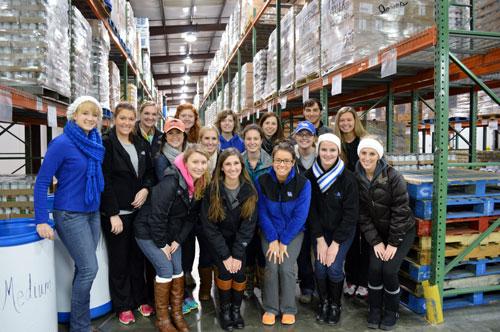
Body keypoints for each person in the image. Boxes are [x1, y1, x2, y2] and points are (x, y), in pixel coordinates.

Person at [34, 96, 105, 332]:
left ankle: (79, 322)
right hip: (69, 213)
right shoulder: (62, 143)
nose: (90, 118)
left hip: (91, 212)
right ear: (74, 115)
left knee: (83, 268)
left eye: (94, 115)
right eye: (85, 113)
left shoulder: (95, 142)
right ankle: (80, 327)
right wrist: (42, 220)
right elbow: (42, 181)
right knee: (89, 269)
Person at [135, 145, 210, 332]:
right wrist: (162, 245)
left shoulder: (200, 184)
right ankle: (163, 319)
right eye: (195, 162)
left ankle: (176, 314)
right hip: (148, 230)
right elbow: (157, 216)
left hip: (171, 235)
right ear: (186, 162)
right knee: (165, 269)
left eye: (203, 162)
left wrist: (177, 241)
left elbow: (191, 218)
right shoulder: (171, 181)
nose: (199, 166)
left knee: (178, 270)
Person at [100, 102, 156, 324]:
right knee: (120, 260)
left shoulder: (139, 142)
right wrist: (112, 213)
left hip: (139, 213)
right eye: (122, 118)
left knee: (138, 259)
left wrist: (146, 189)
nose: (126, 123)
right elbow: (104, 180)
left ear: (136, 121)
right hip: (118, 214)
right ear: (115, 119)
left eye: (130, 119)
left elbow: (150, 173)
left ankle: (140, 298)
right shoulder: (107, 144)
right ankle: (123, 305)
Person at [355, 137, 416, 331]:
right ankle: (374, 309)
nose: (367, 157)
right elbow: (362, 215)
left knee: (389, 270)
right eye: (363, 153)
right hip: (378, 235)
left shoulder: (393, 176)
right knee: (374, 269)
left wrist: (393, 243)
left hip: (401, 232)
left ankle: (391, 310)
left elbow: (401, 211)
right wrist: (375, 242)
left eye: (372, 153)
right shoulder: (356, 177)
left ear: (379, 156)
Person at [255, 141, 312, 326]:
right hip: (269, 231)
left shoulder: (303, 183)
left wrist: (284, 240)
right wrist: (272, 238)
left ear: (293, 162)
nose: (282, 165)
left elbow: (300, 216)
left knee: (286, 267)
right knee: (272, 266)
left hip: (293, 233)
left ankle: (288, 308)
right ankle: (271, 308)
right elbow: (261, 212)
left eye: (286, 161)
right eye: (278, 160)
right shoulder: (262, 181)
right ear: (272, 161)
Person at [201, 148, 258, 331]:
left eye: (236, 163)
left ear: (241, 166)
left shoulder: (249, 191)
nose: (232, 168)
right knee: (225, 272)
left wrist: (237, 253)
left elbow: (248, 227)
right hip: (219, 242)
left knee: (240, 273)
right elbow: (209, 227)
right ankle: (225, 311)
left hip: (240, 243)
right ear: (221, 168)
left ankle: (236, 310)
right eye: (228, 164)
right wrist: (226, 255)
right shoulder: (212, 190)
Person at [305, 133, 359, 325]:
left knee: (334, 268)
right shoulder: (309, 176)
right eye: (324, 149)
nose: (328, 154)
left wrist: (335, 243)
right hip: (320, 231)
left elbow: (351, 215)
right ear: (318, 151)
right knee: (320, 268)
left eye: (332, 150)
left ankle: (336, 305)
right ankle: (324, 302)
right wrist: (319, 239)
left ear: (338, 152)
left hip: (342, 232)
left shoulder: (348, 178)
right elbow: (310, 211)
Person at [334, 106, 370, 299]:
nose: (346, 123)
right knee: (351, 241)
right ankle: (351, 279)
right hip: (345, 200)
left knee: (365, 240)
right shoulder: (337, 145)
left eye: (349, 119)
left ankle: (363, 281)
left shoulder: (364, 142)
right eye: (342, 120)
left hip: (364, 198)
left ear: (356, 121)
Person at [241, 124, 272, 298]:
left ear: (261, 140)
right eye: (248, 138)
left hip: (265, 212)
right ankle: (248, 285)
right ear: (244, 141)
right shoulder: (238, 160)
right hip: (244, 214)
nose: (252, 142)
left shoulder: (270, 163)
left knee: (263, 250)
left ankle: (263, 283)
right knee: (248, 248)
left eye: (256, 138)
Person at [291, 121, 317, 304]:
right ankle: (307, 287)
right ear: (296, 137)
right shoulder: (290, 157)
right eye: (301, 134)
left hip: (320, 211)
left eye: (308, 134)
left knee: (321, 252)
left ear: (314, 137)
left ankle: (324, 288)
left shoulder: (322, 155)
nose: (304, 137)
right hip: (298, 212)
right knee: (302, 253)